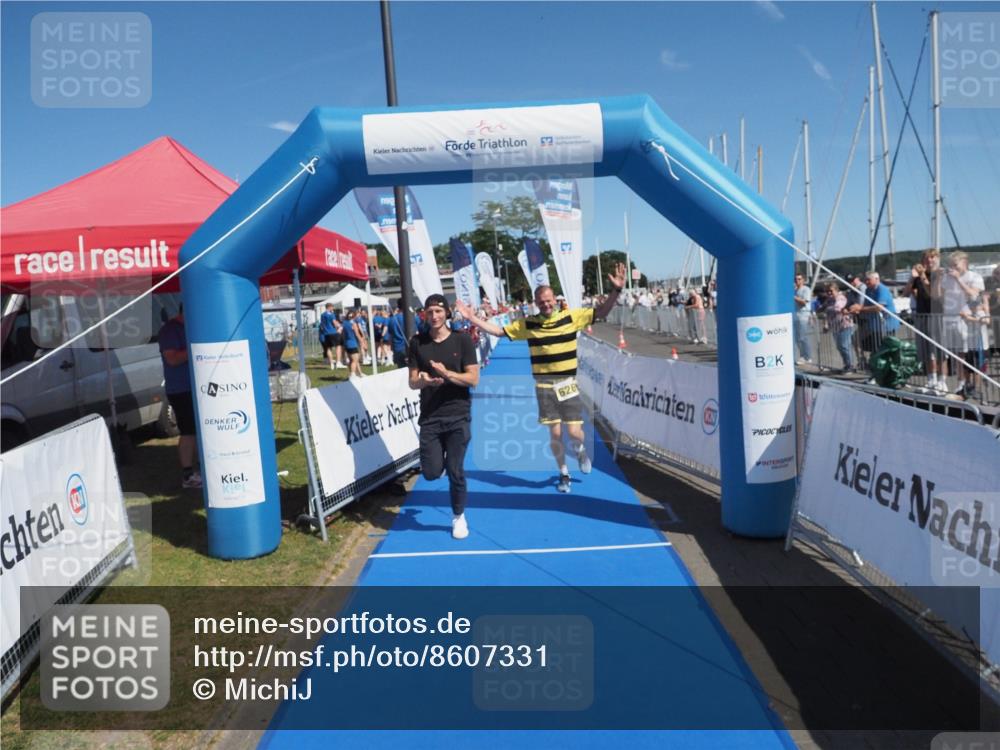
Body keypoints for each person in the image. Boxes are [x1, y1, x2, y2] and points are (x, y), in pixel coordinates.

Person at [456, 263, 626, 494]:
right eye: (541, 302)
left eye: (549, 300)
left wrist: (615, 291)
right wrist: (472, 317)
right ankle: (563, 473)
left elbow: (602, 312)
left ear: (554, 300)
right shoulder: (529, 324)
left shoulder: (572, 317)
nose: (546, 304)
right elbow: (497, 331)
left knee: (575, 432)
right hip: (544, 386)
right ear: (536, 304)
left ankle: (581, 452)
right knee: (555, 434)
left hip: (567, 385)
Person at [408, 294, 480, 539]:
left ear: (447, 313)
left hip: (458, 415)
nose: (434, 316)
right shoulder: (417, 343)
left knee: (455, 470)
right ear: (424, 315)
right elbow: (412, 382)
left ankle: (458, 516)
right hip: (430, 417)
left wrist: (447, 374)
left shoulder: (462, 340)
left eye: (439, 311)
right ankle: (438, 464)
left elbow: (473, 379)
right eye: (430, 312)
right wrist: (424, 380)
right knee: (430, 472)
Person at [158, 305, 202, 489]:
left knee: (200, 430)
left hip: (198, 386)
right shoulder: (169, 330)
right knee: (188, 431)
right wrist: (195, 348)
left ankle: (203, 470)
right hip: (180, 388)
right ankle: (188, 475)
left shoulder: (193, 326)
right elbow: (172, 359)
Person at [905, 250, 945, 392]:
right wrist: (912, 278)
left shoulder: (940, 274)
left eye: (932, 257)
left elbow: (933, 294)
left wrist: (922, 276)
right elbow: (906, 292)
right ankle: (931, 379)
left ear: (937, 259)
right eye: (926, 258)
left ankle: (942, 381)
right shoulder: (919, 276)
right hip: (922, 315)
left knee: (939, 351)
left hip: (937, 315)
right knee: (926, 350)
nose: (929, 260)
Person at [819, 282, 855, 372]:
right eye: (827, 291)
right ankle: (847, 365)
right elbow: (822, 310)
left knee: (844, 346)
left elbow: (837, 308)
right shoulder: (829, 300)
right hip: (835, 327)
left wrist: (826, 308)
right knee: (839, 347)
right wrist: (825, 323)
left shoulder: (841, 298)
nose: (829, 293)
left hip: (845, 325)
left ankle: (850, 366)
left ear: (836, 290)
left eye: (831, 291)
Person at [793, 273, 814, 363]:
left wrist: (794, 297)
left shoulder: (806, 289)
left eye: (799, 279)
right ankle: (803, 355)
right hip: (796, 315)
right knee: (797, 337)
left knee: (803, 336)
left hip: (803, 315)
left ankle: (807, 356)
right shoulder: (794, 290)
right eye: (796, 279)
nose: (797, 281)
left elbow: (804, 302)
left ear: (803, 280)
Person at [319, 303, 342, 370]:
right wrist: (340, 326)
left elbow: (322, 324)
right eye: (332, 307)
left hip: (326, 333)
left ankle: (331, 363)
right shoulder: (332, 314)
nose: (333, 308)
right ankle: (338, 362)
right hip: (333, 332)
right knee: (338, 346)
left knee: (328, 348)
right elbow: (334, 323)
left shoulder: (322, 315)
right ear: (329, 307)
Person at [387, 298, 409, 368]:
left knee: (402, 371)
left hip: (397, 348)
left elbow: (390, 336)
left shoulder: (392, 319)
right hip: (409, 347)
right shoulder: (410, 318)